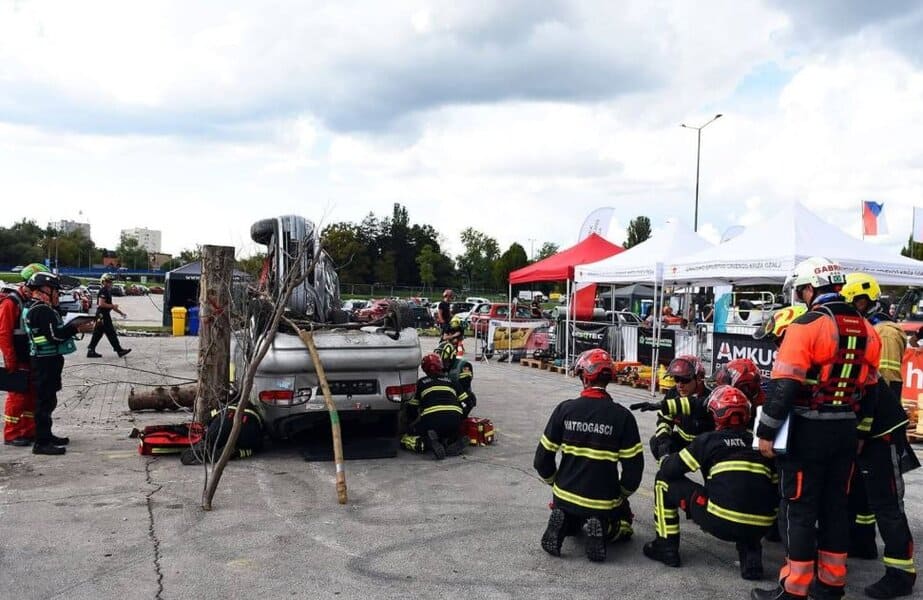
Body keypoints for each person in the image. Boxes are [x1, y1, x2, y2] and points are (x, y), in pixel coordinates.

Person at [752, 257, 882, 600]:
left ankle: (794, 589)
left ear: (810, 288)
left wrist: (766, 432)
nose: (800, 296)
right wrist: (860, 434)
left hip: (807, 431)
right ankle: (831, 584)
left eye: (800, 291)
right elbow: (870, 391)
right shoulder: (867, 329)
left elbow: (784, 387)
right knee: (836, 507)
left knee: (799, 508)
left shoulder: (806, 326)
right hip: (846, 431)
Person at [643, 385, 779, 580]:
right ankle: (751, 556)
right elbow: (774, 487)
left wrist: (664, 447)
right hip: (762, 525)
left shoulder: (709, 441)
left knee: (663, 481)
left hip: (721, 521)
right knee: (749, 498)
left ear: (715, 415)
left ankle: (665, 547)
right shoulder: (760, 444)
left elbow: (669, 470)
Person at [840, 272, 917, 598]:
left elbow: (882, 383)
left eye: (853, 302)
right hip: (871, 428)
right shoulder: (862, 329)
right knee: (862, 494)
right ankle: (863, 543)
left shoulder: (882, 331)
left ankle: (901, 573)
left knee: (887, 501)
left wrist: (864, 429)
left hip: (882, 430)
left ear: (865, 300)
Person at [534, 348, 643, 562]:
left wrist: (555, 483)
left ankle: (566, 523)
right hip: (603, 499)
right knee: (625, 524)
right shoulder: (623, 417)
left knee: (571, 511)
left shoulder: (565, 410)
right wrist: (621, 494)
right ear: (609, 379)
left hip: (565, 494)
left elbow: (541, 460)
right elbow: (634, 470)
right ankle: (605, 527)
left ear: (584, 377)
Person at [22, 272, 97, 455]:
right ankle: (41, 443)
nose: (58, 294)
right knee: (44, 402)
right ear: (44, 289)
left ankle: (46, 435)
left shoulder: (32, 306)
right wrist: (75, 328)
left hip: (44, 360)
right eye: (55, 290)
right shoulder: (42, 310)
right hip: (45, 361)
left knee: (48, 400)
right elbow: (54, 336)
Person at [0, 263, 48, 446]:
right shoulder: (11, 302)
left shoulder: (31, 302)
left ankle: (28, 430)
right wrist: (10, 359)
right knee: (17, 396)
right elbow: (4, 334)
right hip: (18, 358)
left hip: (30, 356)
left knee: (31, 395)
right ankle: (11, 433)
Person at [400, 353, 465, 460]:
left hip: (432, 421)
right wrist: (462, 419)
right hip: (454, 419)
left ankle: (426, 443)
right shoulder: (452, 381)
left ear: (424, 369)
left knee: (404, 439)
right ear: (440, 365)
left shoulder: (421, 383)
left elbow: (412, 408)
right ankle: (450, 440)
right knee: (448, 431)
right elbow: (467, 401)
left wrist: (410, 425)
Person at [646, 355, 709, 461]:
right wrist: (664, 442)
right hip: (683, 443)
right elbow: (664, 420)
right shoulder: (673, 393)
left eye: (684, 380)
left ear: (698, 379)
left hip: (705, 447)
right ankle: (667, 469)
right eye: (676, 379)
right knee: (656, 441)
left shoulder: (710, 397)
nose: (679, 385)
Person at [181, 400, 265, 465]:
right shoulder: (257, 413)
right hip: (246, 428)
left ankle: (207, 444)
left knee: (212, 437)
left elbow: (208, 418)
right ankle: (235, 451)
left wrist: (208, 430)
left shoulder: (225, 407)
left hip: (222, 423)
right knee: (253, 447)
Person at [86, 273, 131, 358]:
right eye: (108, 281)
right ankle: (119, 350)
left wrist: (121, 313)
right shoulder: (103, 290)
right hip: (102, 315)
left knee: (98, 334)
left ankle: (91, 350)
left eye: (110, 281)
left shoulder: (107, 291)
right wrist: (113, 306)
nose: (110, 283)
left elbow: (111, 306)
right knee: (111, 332)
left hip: (103, 314)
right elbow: (101, 304)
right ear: (103, 282)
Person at [436, 341, 476, 417]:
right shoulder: (439, 366)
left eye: (445, 361)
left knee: (470, 398)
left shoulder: (464, 365)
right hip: (445, 395)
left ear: (452, 356)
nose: (443, 364)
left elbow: (464, 385)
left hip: (459, 395)